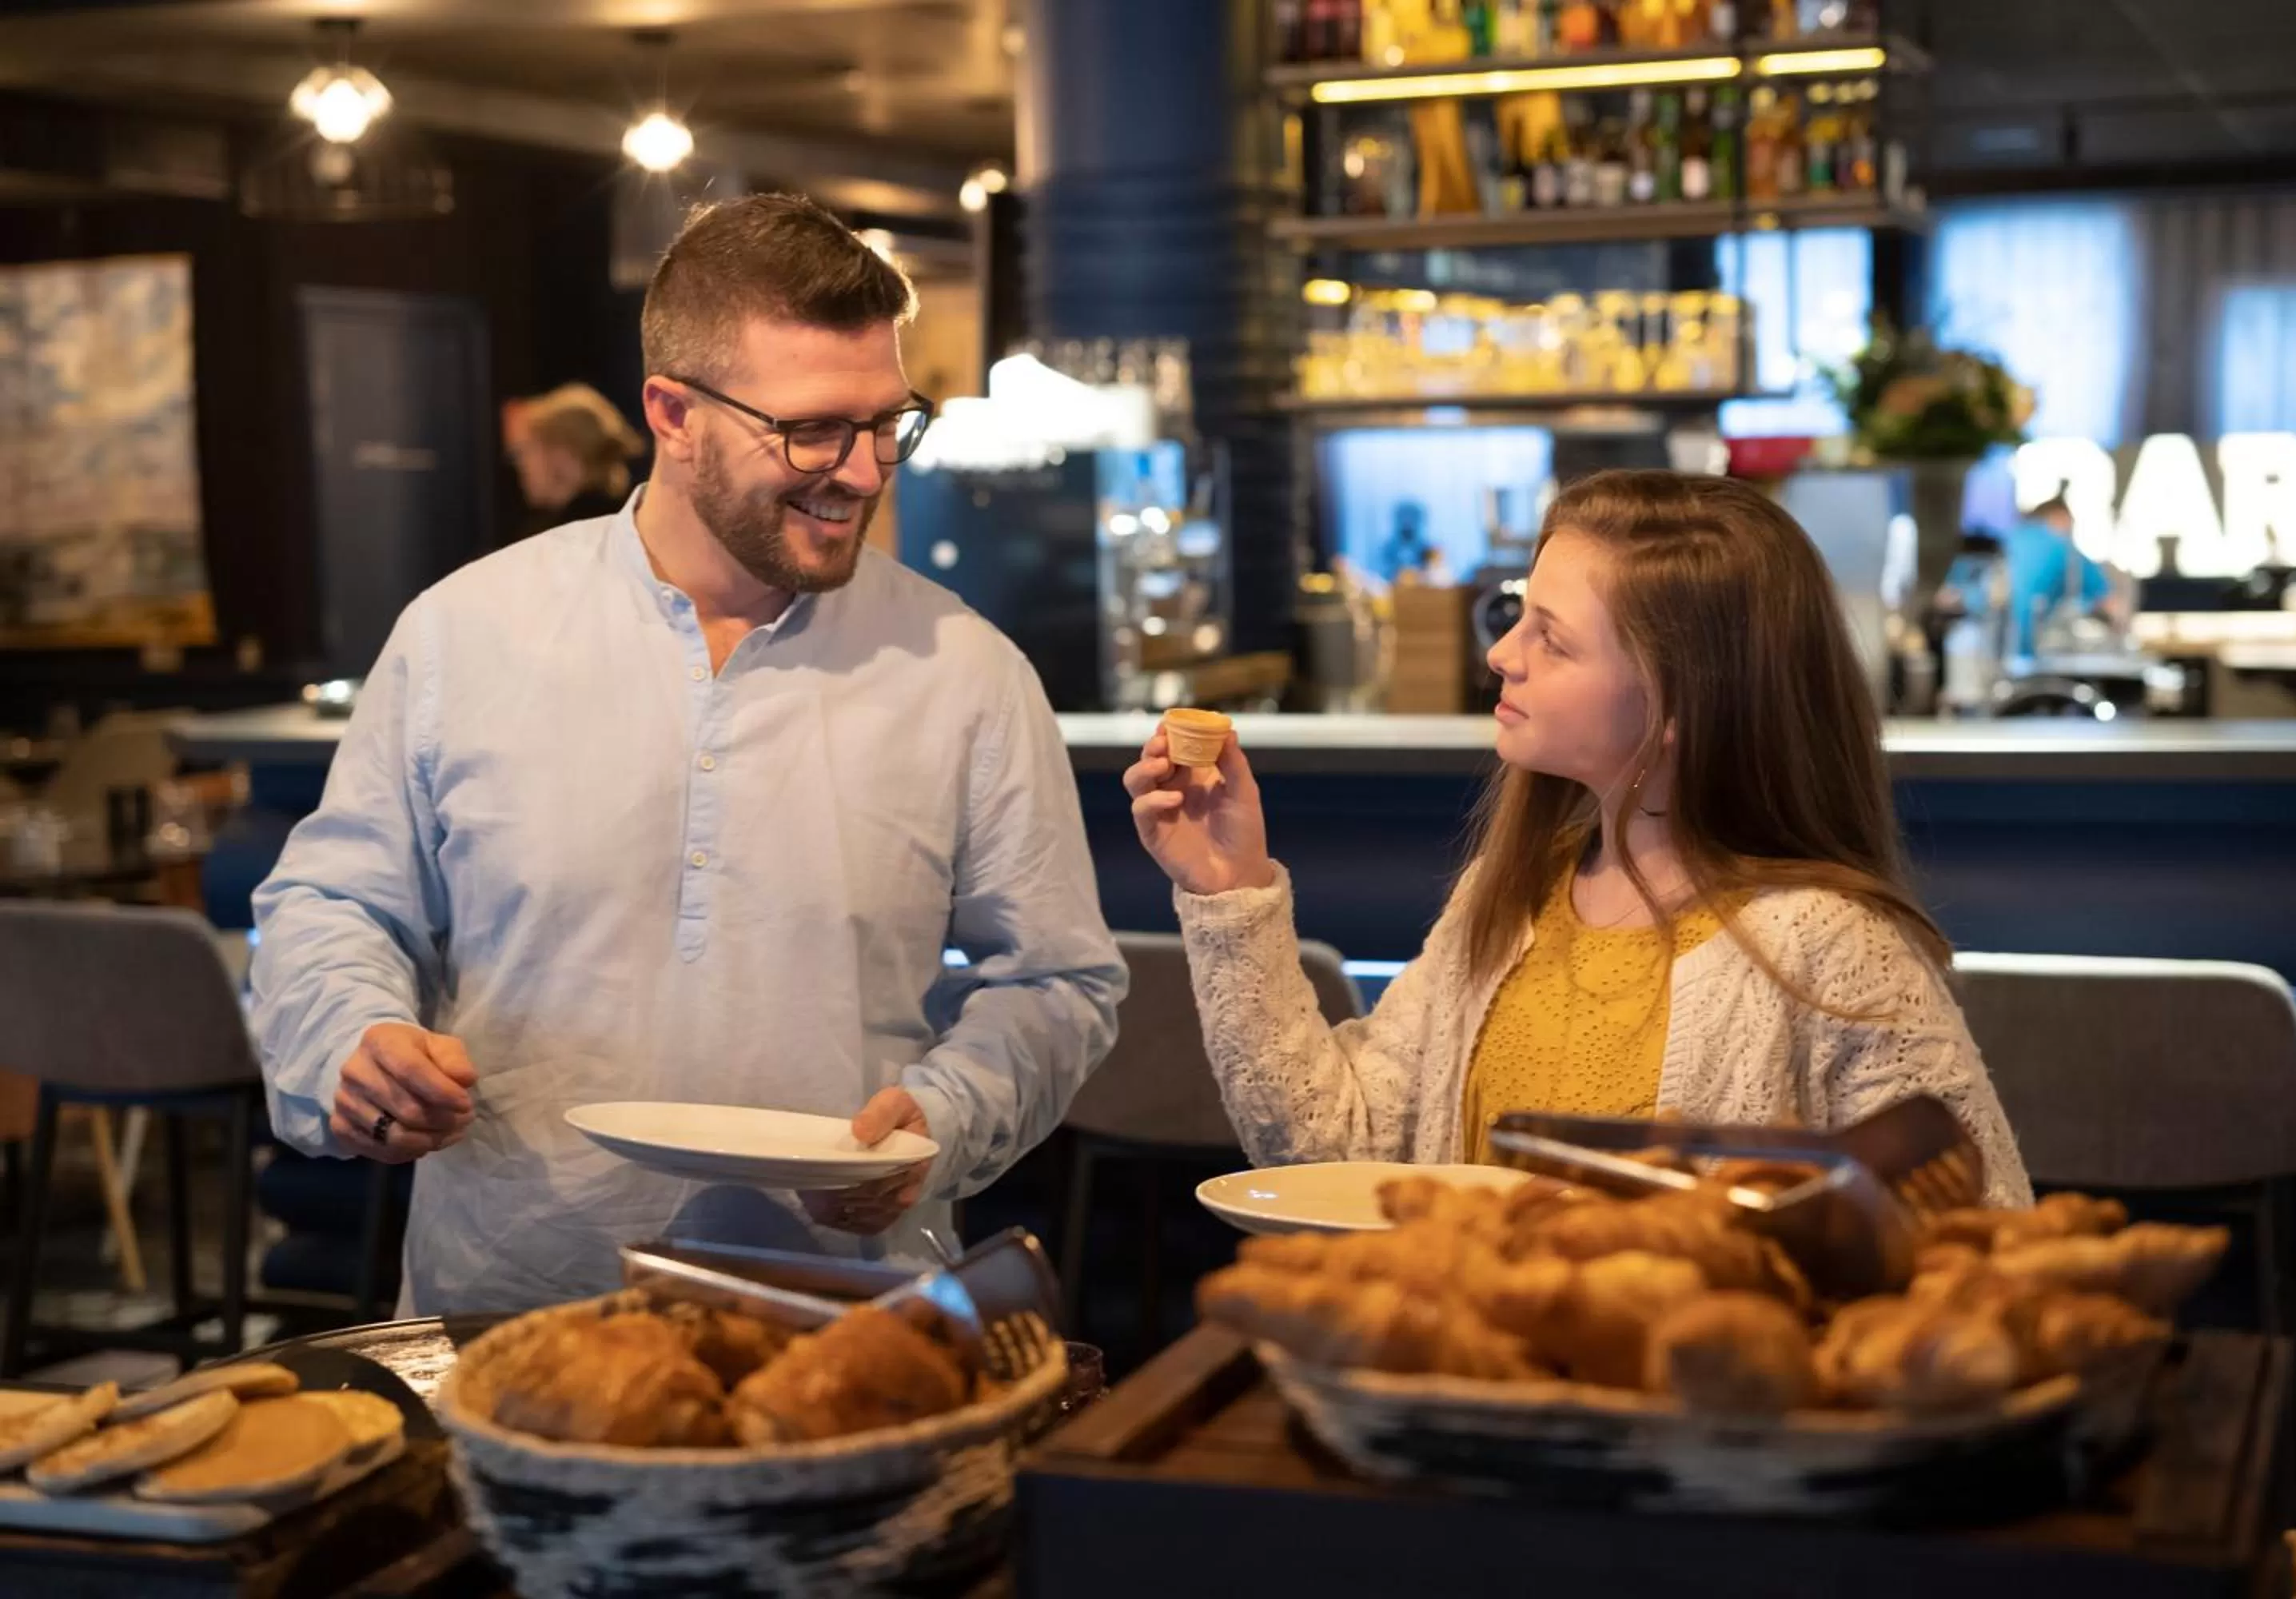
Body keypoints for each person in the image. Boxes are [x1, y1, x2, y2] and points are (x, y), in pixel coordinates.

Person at [250, 193, 1126, 1314]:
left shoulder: (969, 673)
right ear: (672, 413)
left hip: (838, 1330)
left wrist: (946, 1117)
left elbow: (1056, 981)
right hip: (509, 1314)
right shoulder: (464, 633)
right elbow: (335, 904)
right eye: (812, 430)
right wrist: (355, 1039)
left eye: (887, 425)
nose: (861, 472)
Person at [1123, 469, 2029, 1203]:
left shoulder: (1833, 947)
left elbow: (1983, 1245)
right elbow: (1333, 1151)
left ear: (1679, 702)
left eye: (1551, 639)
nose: (1501, 654)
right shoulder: (1508, 895)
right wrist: (1228, 889)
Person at [502, 383, 646, 542]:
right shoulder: (634, 523)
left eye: (524, 452)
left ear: (562, 453)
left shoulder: (556, 543)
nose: (519, 465)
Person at [2001, 493, 2117, 661]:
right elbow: (2110, 605)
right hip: (2042, 658)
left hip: (1996, 657)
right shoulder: (2067, 551)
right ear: (2060, 516)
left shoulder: (2009, 539)